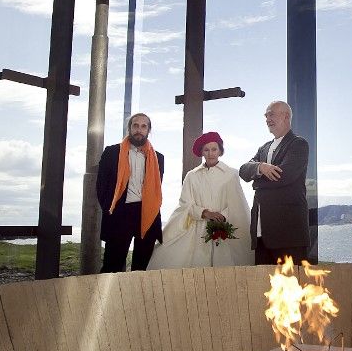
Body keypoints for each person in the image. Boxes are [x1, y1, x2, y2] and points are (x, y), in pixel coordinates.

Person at [147, 131, 253, 269]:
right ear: (202, 152)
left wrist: (222, 216)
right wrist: (205, 213)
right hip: (197, 229)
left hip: (223, 228)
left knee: (224, 267)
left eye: (214, 149)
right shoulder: (192, 176)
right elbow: (185, 204)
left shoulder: (231, 174)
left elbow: (237, 203)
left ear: (220, 151)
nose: (211, 153)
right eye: (206, 150)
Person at [240, 101, 311, 265]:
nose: (267, 118)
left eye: (271, 114)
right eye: (266, 115)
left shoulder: (298, 144)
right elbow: (243, 171)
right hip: (261, 234)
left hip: (289, 235)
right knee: (265, 288)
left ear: (286, 116)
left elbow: (284, 176)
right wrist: (260, 166)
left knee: (293, 288)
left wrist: (256, 182)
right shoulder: (263, 148)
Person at [96, 113, 164, 272]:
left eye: (143, 126)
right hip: (120, 213)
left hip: (147, 213)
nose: (139, 130)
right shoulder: (112, 152)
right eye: (135, 125)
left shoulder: (159, 158)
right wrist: (109, 209)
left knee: (141, 267)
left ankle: (136, 297)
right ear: (129, 128)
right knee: (112, 266)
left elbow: (156, 188)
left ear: (148, 130)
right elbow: (101, 186)